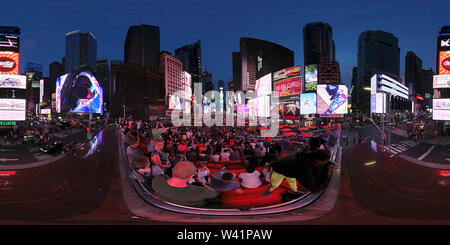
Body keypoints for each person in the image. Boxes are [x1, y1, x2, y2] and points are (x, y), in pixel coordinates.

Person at [262, 149, 332, 197]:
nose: (325, 164)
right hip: (278, 170)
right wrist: (327, 174)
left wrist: (326, 166)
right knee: (275, 184)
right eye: (324, 162)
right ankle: (269, 190)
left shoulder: (307, 157)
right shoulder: (303, 168)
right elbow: (314, 188)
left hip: (289, 169)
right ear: (318, 161)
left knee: (292, 183)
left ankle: (294, 190)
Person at [151, 161, 220, 208]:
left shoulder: (158, 179)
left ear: (172, 170)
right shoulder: (203, 191)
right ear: (191, 176)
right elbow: (216, 198)